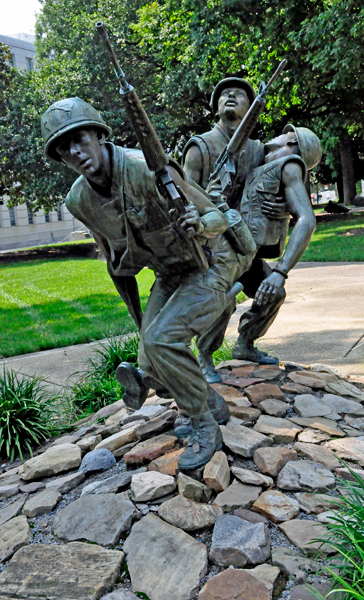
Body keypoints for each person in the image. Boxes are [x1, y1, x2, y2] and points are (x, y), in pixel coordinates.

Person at [41, 97, 256, 469]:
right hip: (170, 273)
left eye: (80, 138)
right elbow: (115, 263)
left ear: (98, 134)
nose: (75, 151)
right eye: (64, 147)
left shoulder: (145, 168)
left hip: (211, 262)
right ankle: (214, 405)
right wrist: (140, 321)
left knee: (162, 341)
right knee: (149, 356)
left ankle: (204, 425)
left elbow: (216, 216)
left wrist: (200, 225)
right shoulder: (79, 200)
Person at [183, 77, 289, 383]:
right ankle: (204, 356)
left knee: (274, 290)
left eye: (240, 95)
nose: (231, 96)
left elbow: (273, 186)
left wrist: (280, 208)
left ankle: (245, 344)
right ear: (215, 107)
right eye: (224, 94)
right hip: (212, 246)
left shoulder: (258, 150)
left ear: (250, 109)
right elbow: (183, 193)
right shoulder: (199, 147)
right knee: (225, 298)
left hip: (245, 243)